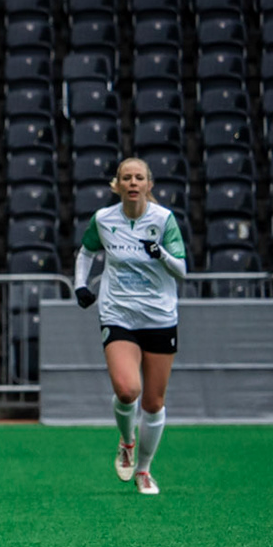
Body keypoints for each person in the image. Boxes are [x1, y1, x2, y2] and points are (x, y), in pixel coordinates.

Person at [73, 155, 187, 496]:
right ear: (117, 185)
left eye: (139, 178)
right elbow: (86, 253)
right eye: (126, 178)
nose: (133, 183)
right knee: (126, 390)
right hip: (118, 312)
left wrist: (161, 254)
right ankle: (126, 441)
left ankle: (144, 470)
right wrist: (80, 285)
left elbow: (182, 270)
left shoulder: (164, 220)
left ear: (149, 185)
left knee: (152, 402)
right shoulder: (103, 219)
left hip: (159, 315)